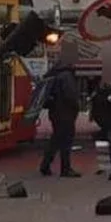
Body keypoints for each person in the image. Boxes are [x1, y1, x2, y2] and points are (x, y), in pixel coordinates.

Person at [39, 43, 82, 178]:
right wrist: (77, 106)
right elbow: (71, 96)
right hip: (65, 112)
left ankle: (45, 164)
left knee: (56, 139)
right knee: (66, 141)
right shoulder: (67, 75)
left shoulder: (55, 72)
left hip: (55, 111)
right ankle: (65, 169)